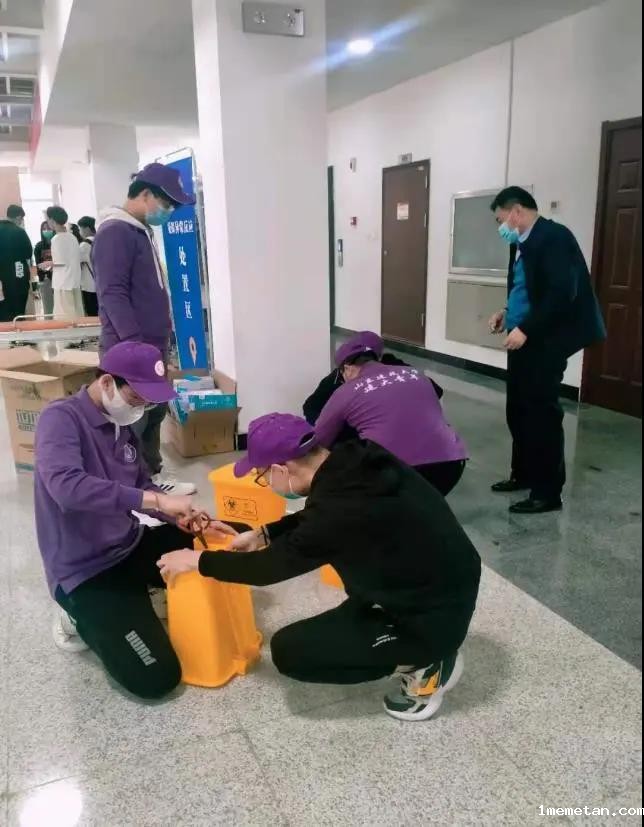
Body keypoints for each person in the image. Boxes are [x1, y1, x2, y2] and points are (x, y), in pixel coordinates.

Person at [158, 413, 481, 722]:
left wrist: (197, 561)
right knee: (320, 635)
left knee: (291, 653)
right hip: (429, 586)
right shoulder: (356, 460)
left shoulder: (339, 510)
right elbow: (321, 517)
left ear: (281, 468)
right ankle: (412, 643)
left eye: (262, 475)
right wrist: (263, 533)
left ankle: (426, 665)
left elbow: (268, 568)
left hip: (428, 616)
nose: (265, 481)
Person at [33, 341, 204, 700]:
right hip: (85, 570)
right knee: (156, 676)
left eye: (148, 403)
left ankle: (139, 596)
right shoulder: (60, 418)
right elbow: (67, 488)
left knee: (216, 539)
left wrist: (175, 513)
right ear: (108, 382)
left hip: (128, 543)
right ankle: (77, 616)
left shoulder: (122, 426)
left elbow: (140, 484)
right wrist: (156, 499)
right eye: (136, 398)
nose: (141, 408)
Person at [488, 186, 606, 515]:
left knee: (542, 414)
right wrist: (507, 313)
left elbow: (561, 294)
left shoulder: (555, 238)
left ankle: (547, 492)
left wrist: (526, 328)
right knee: (518, 409)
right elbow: (525, 287)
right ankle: (524, 474)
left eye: (501, 219)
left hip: (546, 339)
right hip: (522, 336)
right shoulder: (520, 242)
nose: (501, 227)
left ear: (516, 212)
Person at [92, 163, 196, 496]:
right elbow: (112, 293)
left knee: (153, 413)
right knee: (131, 418)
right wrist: (134, 347)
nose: (168, 211)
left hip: (150, 348)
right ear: (146, 194)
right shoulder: (116, 232)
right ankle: (135, 488)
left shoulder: (139, 231)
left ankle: (150, 476)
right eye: (166, 204)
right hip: (131, 350)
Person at [313, 333, 468, 497]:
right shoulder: (416, 373)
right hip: (451, 464)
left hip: (396, 471)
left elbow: (319, 440)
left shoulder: (345, 391)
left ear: (347, 368)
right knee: (423, 502)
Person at [303, 330, 444, 428]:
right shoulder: (337, 378)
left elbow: (435, 390)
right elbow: (311, 407)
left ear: (379, 359)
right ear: (346, 367)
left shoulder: (394, 367)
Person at [45, 205, 84, 320]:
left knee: (64, 317)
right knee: (76, 312)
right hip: (74, 280)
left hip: (63, 282)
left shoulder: (56, 239)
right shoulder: (72, 237)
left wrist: (48, 264)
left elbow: (60, 263)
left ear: (52, 220)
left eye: (47, 219)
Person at [0, 205, 33, 322]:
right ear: (18, 217)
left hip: (2, 279)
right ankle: (18, 330)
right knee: (18, 311)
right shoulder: (19, 232)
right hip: (18, 275)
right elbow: (28, 253)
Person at [33, 220, 55, 317]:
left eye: (48, 228)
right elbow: (39, 264)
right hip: (45, 279)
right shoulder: (39, 246)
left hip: (59, 278)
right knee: (48, 307)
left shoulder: (57, 243)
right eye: (44, 229)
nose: (46, 231)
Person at [77, 216, 98, 316]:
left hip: (89, 286)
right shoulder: (101, 240)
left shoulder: (84, 245)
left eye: (80, 229)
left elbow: (76, 261)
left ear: (87, 229)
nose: (80, 232)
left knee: (92, 314)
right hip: (102, 285)